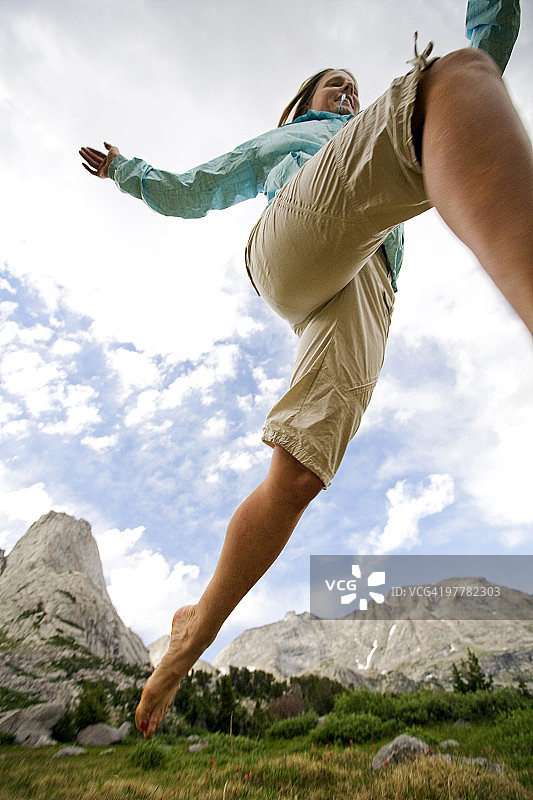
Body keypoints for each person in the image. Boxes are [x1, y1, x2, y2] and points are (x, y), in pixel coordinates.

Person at [80, 0, 530, 739]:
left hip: (368, 278)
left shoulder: (381, 139)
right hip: (294, 235)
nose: (348, 90)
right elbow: (197, 187)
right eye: (334, 84)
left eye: (354, 85)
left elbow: (485, 63)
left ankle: (189, 640)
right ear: (302, 103)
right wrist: (129, 172)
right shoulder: (290, 136)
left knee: (297, 477)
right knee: (453, 79)